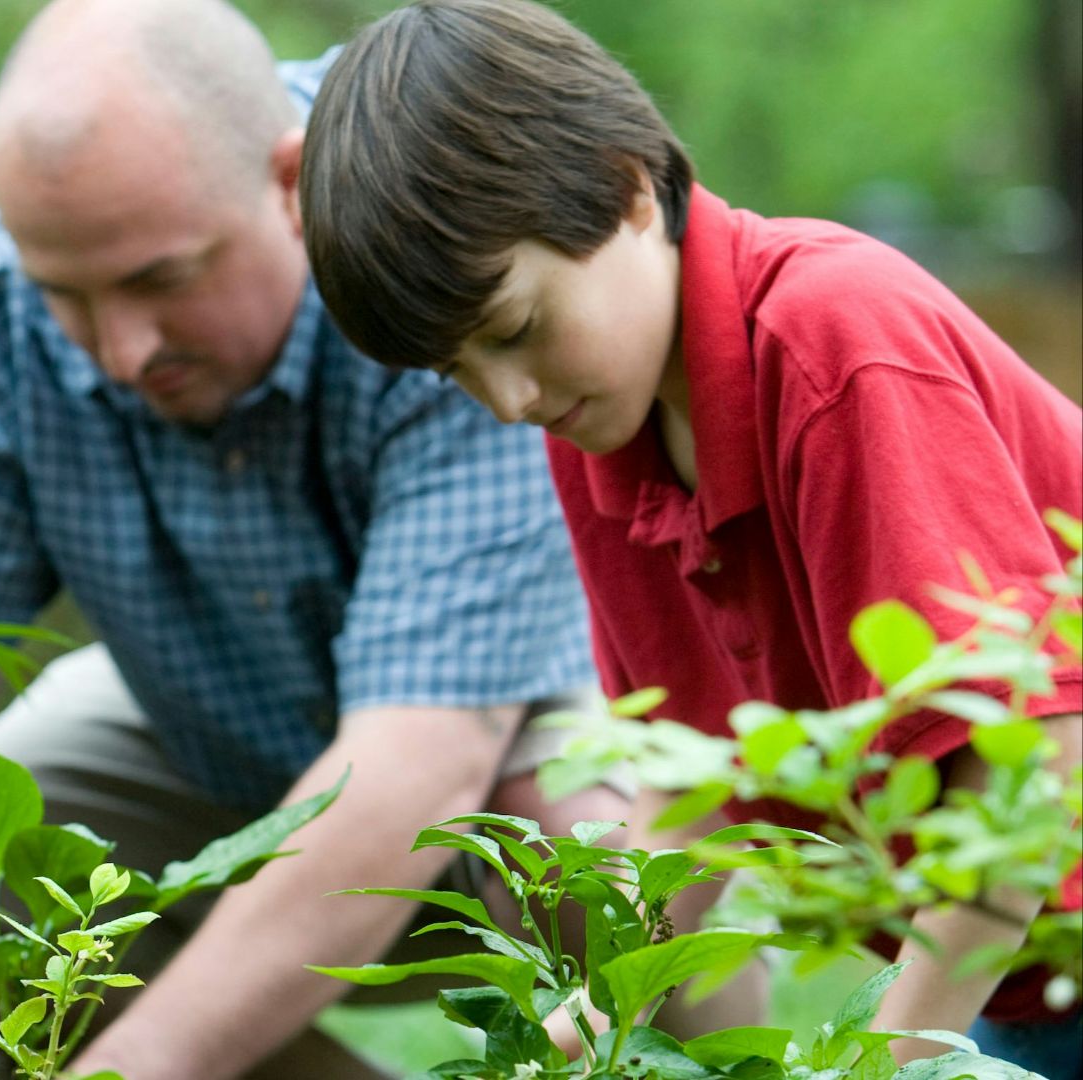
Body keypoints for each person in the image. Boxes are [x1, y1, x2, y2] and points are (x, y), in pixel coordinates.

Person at [0, 0, 642, 1076]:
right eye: (68, 294)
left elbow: (416, 762)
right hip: (195, 728)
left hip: (491, 717)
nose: (120, 349)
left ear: (289, 185)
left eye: (160, 280)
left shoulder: (420, 244)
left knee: (582, 860)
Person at [296, 1, 1083, 1073]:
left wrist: (892, 1060)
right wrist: (592, 1023)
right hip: (1023, 972)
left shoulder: (830, 344)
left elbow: (1033, 757)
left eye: (517, 329)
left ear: (626, 190)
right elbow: (688, 785)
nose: (508, 400)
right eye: (455, 372)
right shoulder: (598, 432)